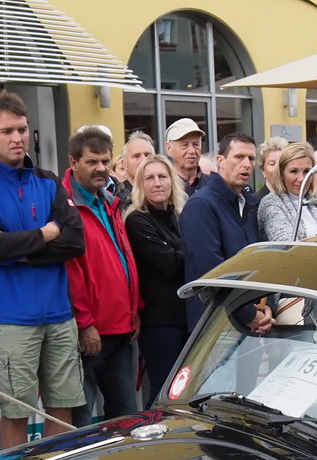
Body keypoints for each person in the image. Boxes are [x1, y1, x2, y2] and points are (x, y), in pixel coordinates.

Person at [0, 91, 88, 445]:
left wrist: (20, 248)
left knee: (62, 407)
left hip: (59, 314)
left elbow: (76, 242)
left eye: (22, 129)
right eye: (6, 131)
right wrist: (45, 235)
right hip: (12, 318)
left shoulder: (48, 181)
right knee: (16, 410)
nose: (17, 138)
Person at [63, 129, 141, 425]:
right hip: (89, 332)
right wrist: (84, 323)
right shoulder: (64, 204)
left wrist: (135, 311)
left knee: (125, 418)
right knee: (80, 421)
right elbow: (71, 270)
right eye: (91, 161)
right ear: (73, 162)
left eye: (105, 161)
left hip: (121, 329)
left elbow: (125, 260)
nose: (100, 168)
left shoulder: (110, 201)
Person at [181, 132, 263, 326]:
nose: (246, 164)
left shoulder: (247, 204)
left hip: (249, 316)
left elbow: (259, 261)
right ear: (221, 161)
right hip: (215, 323)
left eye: (251, 158)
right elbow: (213, 273)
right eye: (238, 157)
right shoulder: (201, 205)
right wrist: (249, 315)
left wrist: (266, 305)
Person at [124, 153, 187, 402]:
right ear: (140, 185)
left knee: (185, 391)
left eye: (162, 176)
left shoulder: (179, 216)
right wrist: (190, 249)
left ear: (172, 181)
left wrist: (181, 251)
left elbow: (179, 256)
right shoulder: (137, 220)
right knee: (163, 389)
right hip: (160, 322)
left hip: (186, 317)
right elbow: (170, 263)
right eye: (149, 178)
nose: (157, 183)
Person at [258, 141, 317, 242]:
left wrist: (310, 240)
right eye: (294, 171)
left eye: (307, 171)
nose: (301, 178)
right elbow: (287, 245)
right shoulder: (271, 203)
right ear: (282, 173)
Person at [164, 118, 208, 195]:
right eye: (184, 145)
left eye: (196, 145)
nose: (191, 151)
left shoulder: (214, 185)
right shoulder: (162, 187)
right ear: (169, 148)